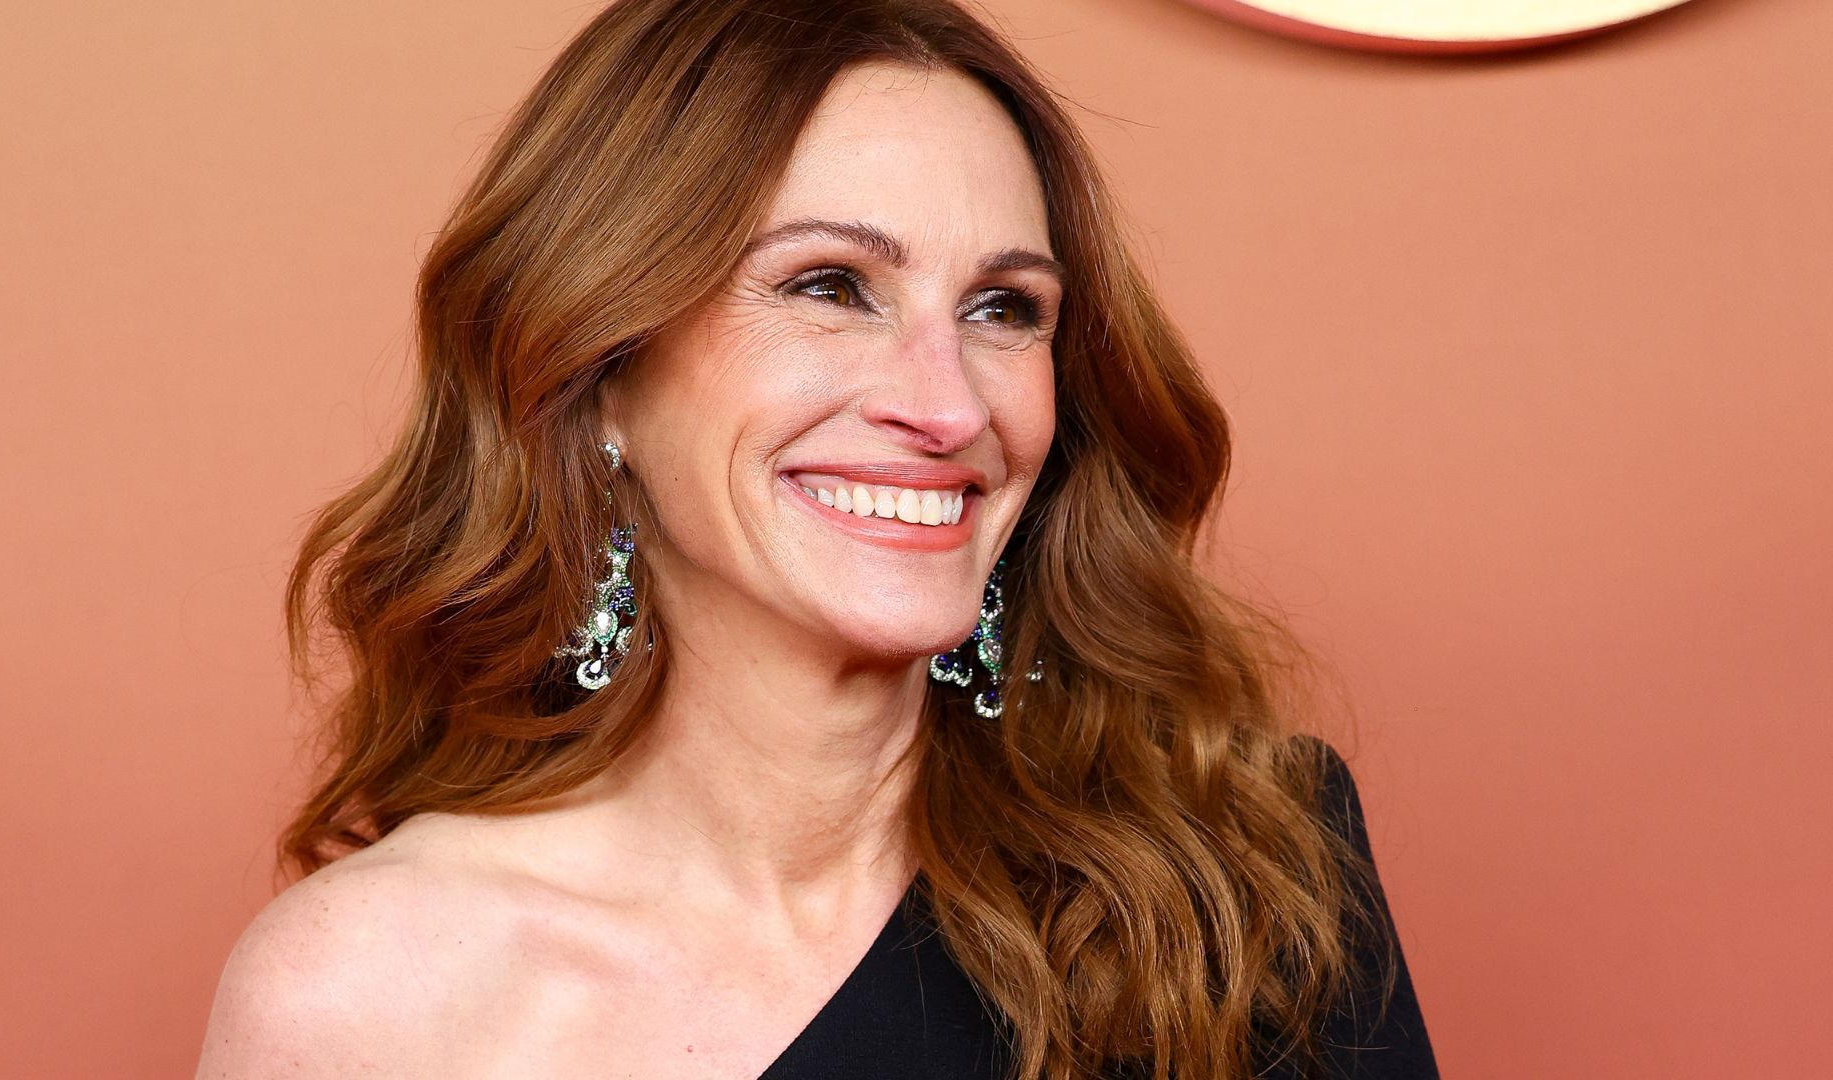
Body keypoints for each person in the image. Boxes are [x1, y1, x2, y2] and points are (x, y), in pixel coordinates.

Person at [196, 1, 1440, 1077]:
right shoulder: (367, 998)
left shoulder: (1240, 875)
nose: (949, 408)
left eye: (1005, 309)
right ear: (599, 369)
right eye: (830, 287)